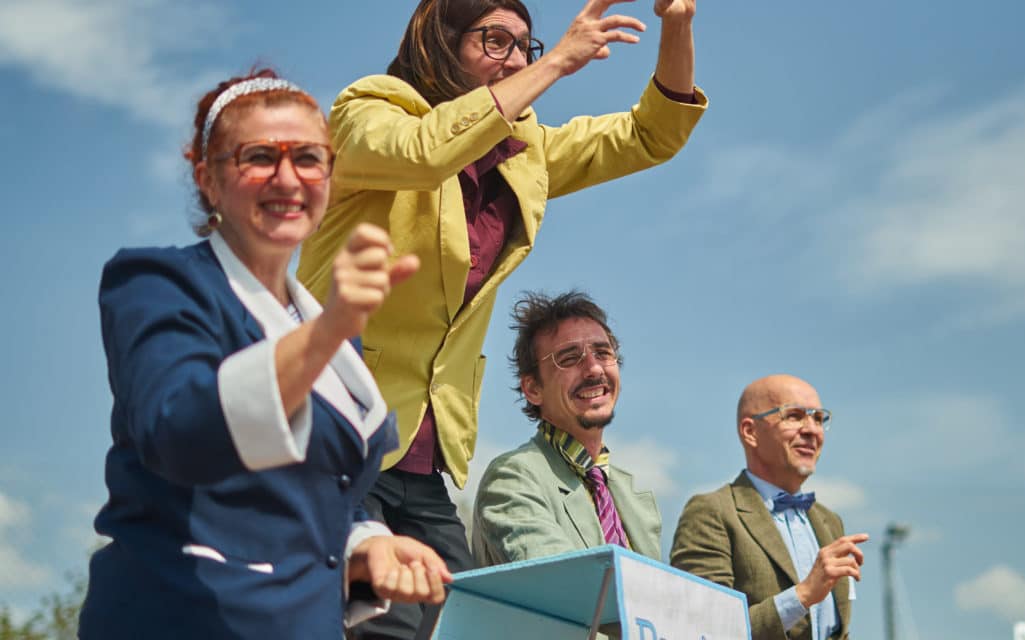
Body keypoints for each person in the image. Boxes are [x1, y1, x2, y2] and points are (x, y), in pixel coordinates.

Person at [295, 0, 704, 636]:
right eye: (495, 41)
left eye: (526, 47)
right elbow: (425, 151)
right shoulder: (366, 110)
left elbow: (649, 135)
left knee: (468, 623)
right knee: (372, 624)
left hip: (426, 453)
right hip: (337, 427)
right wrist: (563, 60)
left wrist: (677, 25)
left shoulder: (523, 150)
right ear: (441, 42)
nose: (516, 59)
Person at [79, 69, 453, 639]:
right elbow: (177, 431)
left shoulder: (326, 331)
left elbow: (319, 496)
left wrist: (368, 546)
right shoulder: (159, 282)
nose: (288, 177)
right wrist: (329, 329)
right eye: (259, 156)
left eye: (308, 157)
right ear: (208, 179)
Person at [670, 375, 870, 640]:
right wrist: (804, 595)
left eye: (818, 418)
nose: (812, 430)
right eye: (795, 416)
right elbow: (704, 628)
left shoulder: (829, 521)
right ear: (750, 432)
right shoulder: (711, 512)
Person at [471, 291, 661, 566]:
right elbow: (570, 586)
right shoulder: (513, 478)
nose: (594, 369)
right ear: (533, 389)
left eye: (603, 353)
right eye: (570, 358)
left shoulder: (632, 494)